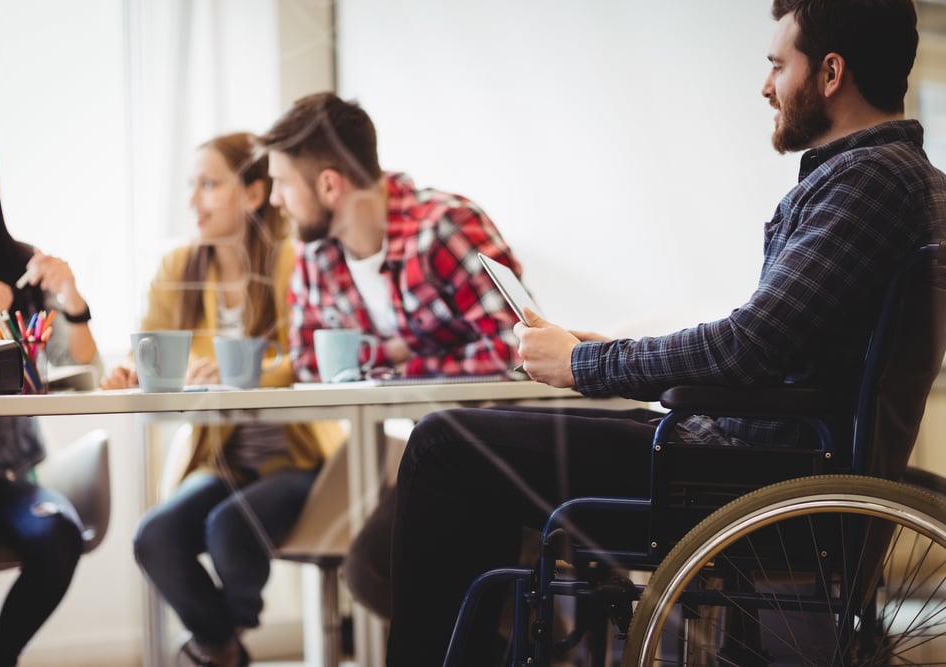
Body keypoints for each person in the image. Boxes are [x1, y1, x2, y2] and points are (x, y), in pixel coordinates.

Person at [384, 0, 946, 665]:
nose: (766, 86)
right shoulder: (898, 181)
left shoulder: (867, 183)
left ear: (830, 73)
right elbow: (768, 345)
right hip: (755, 459)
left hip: (740, 478)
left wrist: (586, 367)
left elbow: (748, 344)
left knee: (443, 445)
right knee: (474, 443)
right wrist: (594, 353)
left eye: (776, 65)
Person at [256, 92, 524, 619]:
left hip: (500, 443)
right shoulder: (316, 254)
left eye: (282, 182)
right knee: (375, 569)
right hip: (428, 448)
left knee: (379, 567)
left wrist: (400, 361)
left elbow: (515, 347)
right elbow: (312, 364)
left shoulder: (443, 227)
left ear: (329, 185)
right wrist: (408, 351)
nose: (274, 199)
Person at [100, 132, 345, 667]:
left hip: (299, 457)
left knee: (232, 526)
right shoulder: (178, 268)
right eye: (193, 185)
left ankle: (213, 645)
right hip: (222, 456)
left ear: (256, 193)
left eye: (210, 184)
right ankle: (223, 647)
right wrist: (129, 371)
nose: (194, 200)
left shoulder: (294, 261)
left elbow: (311, 358)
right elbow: (152, 351)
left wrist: (251, 374)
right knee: (156, 538)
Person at [0, 124, 101, 667]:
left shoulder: (19, 267)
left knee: (59, 532)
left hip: (7, 477)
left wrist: (72, 299)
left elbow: (84, 364)